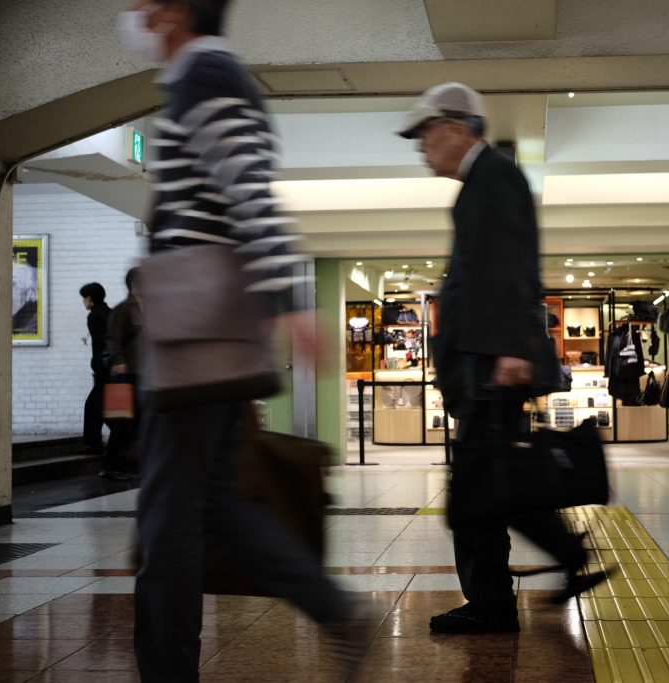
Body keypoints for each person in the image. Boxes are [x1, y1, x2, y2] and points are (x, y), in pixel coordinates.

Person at [117, 2, 368, 680]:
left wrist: (288, 302)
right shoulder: (207, 79)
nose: (133, 16)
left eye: (143, 5)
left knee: (169, 521)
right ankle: (334, 608)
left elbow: (250, 192)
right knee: (217, 507)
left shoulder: (208, 77)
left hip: (197, 333)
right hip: (212, 330)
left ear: (171, 11)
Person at [396, 83, 608, 634]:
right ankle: (522, 582)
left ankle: (509, 590)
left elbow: (511, 268)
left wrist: (512, 349)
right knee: (488, 488)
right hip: (484, 362)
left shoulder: (494, 178)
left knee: (478, 492)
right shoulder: (482, 183)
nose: (421, 147)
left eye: (424, 134)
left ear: (455, 127)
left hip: (493, 364)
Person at [103, 267, 143, 480]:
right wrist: (118, 361)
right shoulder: (124, 309)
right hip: (126, 375)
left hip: (144, 374)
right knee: (122, 422)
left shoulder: (147, 308)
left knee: (140, 421)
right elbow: (113, 339)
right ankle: (111, 465)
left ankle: (133, 466)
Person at [79, 282, 111, 458]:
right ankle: (96, 442)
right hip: (113, 369)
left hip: (103, 370)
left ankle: (94, 444)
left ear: (90, 298)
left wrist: (97, 364)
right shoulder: (110, 313)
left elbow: (100, 344)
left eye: (84, 298)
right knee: (100, 406)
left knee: (93, 406)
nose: (83, 302)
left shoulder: (94, 316)